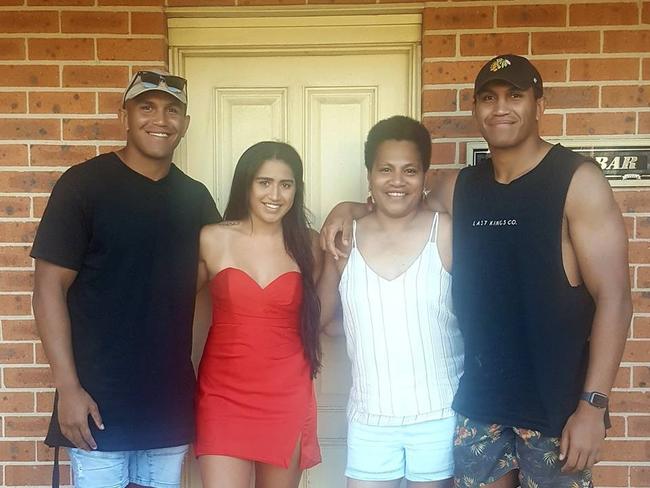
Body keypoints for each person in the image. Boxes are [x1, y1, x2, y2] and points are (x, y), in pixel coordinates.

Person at [321, 55, 632, 488]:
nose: (500, 107)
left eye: (515, 96)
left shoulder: (576, 180)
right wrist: (348, 209)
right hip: (478, 407)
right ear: (476, 110)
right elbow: (398, 207)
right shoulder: (461, 188)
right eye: (489, 97)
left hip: (555, 409)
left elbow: (615, 298)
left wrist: (593, 406)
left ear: (539, 106)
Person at [32, 70, 221, 488]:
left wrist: (352, 213)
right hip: (97, 401)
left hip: (167, 401)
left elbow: (231, 266)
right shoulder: (83, 185)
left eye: (173, 110)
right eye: (147, 107)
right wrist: (67, 388)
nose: (161, 119)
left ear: (185, 124)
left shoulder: (196, 199)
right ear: (126, 116)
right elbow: (48, 287)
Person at [318, 116, 463, 488]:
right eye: (385, 169)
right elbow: (322, 317)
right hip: (370, 418)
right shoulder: (345, 238)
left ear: (425, 176)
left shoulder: (445, 233)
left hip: (438, 415)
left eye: (409, 170)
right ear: (369, 175)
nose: (397, 181)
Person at [194, 141, 323, 488]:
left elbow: (326, 313)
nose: (275, 194)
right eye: (264, 182)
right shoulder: (213, 239)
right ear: (246, 184)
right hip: (222, 395)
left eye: (286, 184)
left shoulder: (309, 244)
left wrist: (348, 212)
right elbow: (168, 307)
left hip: (287, 393)